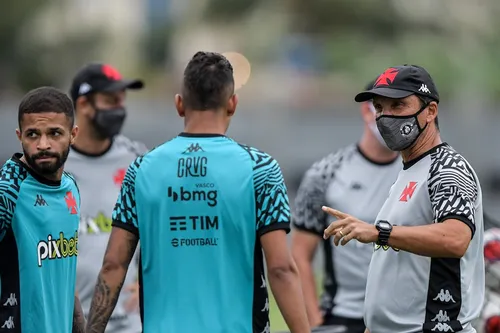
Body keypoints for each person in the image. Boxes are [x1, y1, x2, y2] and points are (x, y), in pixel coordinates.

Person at [84, 51, 310, 333]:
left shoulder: (142, 169)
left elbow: (113, 265)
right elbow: (281, 269)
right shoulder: (261, 169)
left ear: (179, 104)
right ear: (232, 103)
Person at [323, 65, 484, 333]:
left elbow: (456, 239)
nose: (385, 117)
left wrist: (379, 233)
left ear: (430, 111)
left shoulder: (446, 168)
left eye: (398, 105)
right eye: (379, 107)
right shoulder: (410, 171)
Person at [291, 80, 401, 333]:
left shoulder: (420, 173)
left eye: (398, 108)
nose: (391, 119)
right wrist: (315, 323)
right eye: (382, 108)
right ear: (366, 111)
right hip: (344, 316)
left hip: (404, 318)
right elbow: (299, 255)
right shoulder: (324, 174)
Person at [64, 63, 146, 333]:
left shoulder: (138, 159)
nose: (120, 109)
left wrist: (151, 281)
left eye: (122, 100)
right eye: (111, 101)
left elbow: (162, 225)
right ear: (84, 105)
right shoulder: (52, 162)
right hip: (64, 322)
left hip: (127, 323)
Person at [0, 87, 85, 332]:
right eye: (33, 134)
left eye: (54, 133)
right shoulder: (7, 192)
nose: (43, 144)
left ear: (73, 134)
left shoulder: (71, 187)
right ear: (19, 136)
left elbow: (64, 274)